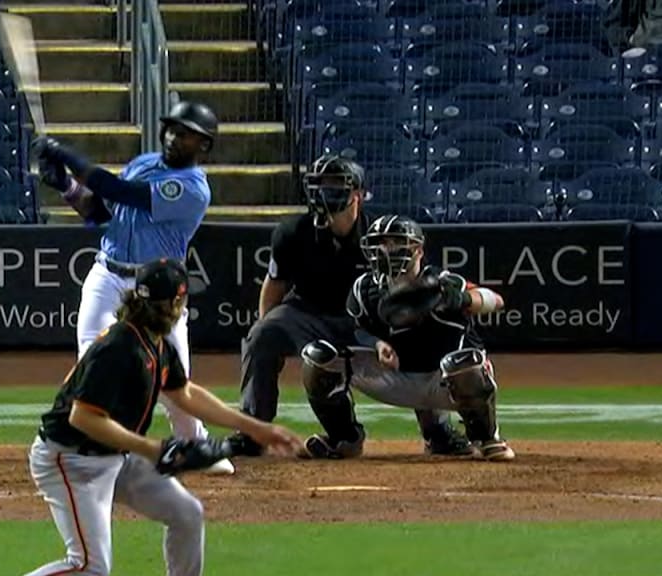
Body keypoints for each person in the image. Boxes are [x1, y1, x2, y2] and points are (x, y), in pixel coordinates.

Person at [25, 258, 303, 576]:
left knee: (187, 514)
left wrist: (255, 427)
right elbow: (83, 418)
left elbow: (184, 394)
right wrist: (153, 450)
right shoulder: (119, 348)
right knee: (89, 567)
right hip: (71, 461)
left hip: (114, 457)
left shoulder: (154, 342)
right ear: (173, 303)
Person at [32, 101, 236, 475]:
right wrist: (64, 183)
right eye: (172, 128)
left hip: (158, 289)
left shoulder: (193, 188)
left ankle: (194, 444)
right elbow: (100, 210)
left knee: (175, 379)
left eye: (186, 133)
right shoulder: (144, 163)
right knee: (90, 360)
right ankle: (98, 441)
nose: (175, 137)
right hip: (107, 275)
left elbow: (121, 191)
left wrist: (66, 154)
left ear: (204, 145)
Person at [229, 154, 471, 458]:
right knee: (263, 333)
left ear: (357, 194)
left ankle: (437, 431)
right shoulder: (292, 232)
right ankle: (256, 431)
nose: (324, 194)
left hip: (366, 316)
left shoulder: (380, 236)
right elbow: (275, 283)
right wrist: (267, 336)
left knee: (413, 331)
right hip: (307, 311)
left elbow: (407, 286)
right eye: (318, 186)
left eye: (334, 186)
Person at [298, 215, 516, 462]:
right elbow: (355, 330)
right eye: (380, 243)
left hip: (443, 382)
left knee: (467, 364)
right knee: (318, 359)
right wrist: (376, 344)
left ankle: (484, 437)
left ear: (418, 250)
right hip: (395, 377)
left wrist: (462, 299)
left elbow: (495, 300)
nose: (385, 250)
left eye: (394, 242)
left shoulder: (440, 283)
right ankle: (344, 439)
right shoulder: (363, 288)